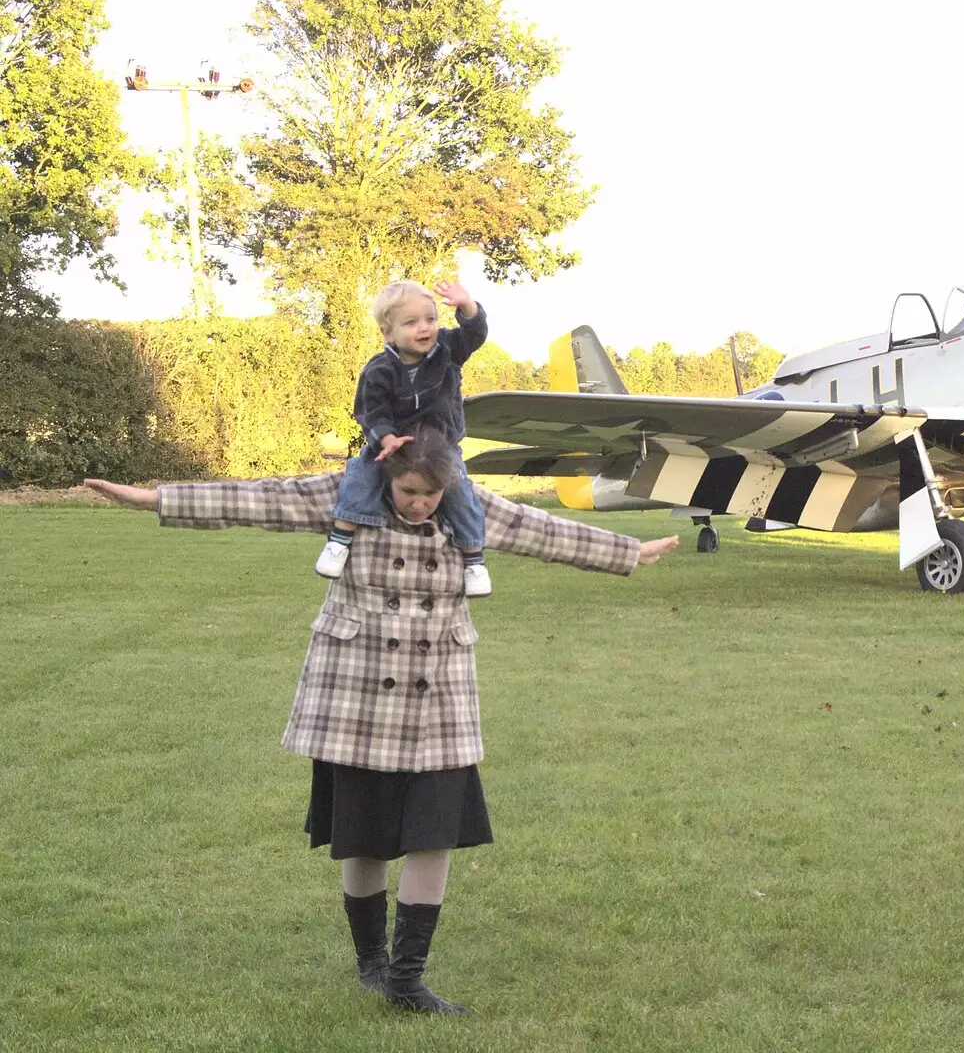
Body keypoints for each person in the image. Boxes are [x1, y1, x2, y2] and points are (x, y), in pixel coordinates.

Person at [84, 427, 679, 1015]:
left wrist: (628, 551)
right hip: (357, 692)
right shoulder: (349, 495)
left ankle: (406, 978)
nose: (421, 504)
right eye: (409, 492)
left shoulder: (468, 505)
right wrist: (152, 498)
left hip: (438, 695)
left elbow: (544, 531)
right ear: (387, 480)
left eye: (431, 495)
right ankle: (370, 962)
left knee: (436, 834)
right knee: (362, 838)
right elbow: (259, 499)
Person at [317, 279, 495, 598]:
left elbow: (474, 334)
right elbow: (370, 411)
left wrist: (467, 307)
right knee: (360, 474)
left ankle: (474, 560)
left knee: (459, 490)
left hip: (440, 445)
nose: (424, 328)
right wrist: (384, 439)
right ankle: (340, 540)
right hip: (395, 445)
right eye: (411, 323)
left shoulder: (447, 350)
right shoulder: (379, 370)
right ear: (388, 332)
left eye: (430, 319)